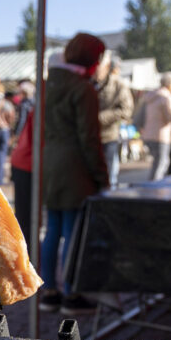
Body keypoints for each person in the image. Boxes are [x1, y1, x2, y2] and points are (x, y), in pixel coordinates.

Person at [39, 33, 108, 315]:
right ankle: (70, 294)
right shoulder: (83, 89)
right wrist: (102, 178)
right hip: (75, 167)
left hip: (50, 162)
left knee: (53, 228)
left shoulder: (47, 84)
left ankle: (49, 293)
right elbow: (89, 139)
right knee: (71, 231)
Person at [96, 52, 134, 188]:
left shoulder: (118, 85)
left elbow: (126, 110)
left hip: (107, 138)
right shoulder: (87, 82)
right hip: (87, 138)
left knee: (109, 177)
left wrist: (101, 117)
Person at [137, 73, 171, 181]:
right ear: (170, 84)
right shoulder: (167, 97)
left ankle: (151, 184)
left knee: (156, 163)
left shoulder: (150, 96)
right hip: (162, 135)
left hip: (148, 134)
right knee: (162, 163)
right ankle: (155, 187)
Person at [9, 80, 36, 250]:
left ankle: (23, 248)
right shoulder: (34, 107)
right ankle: (24, 250)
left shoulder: (32, 106)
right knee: (25, 214)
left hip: (22, 160)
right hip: (27, 161)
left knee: (23, 213)